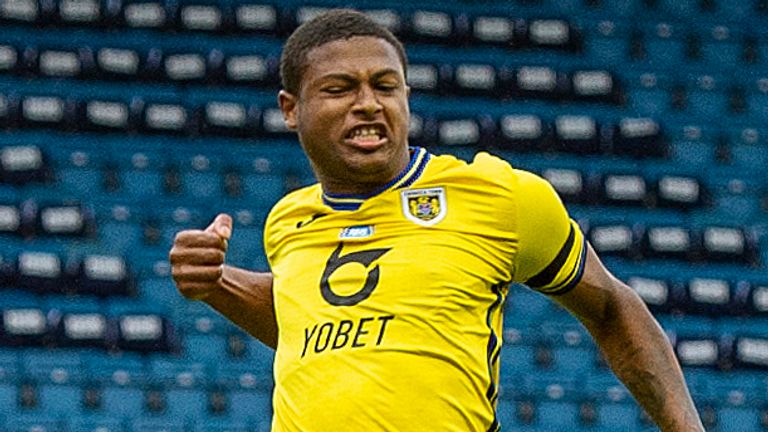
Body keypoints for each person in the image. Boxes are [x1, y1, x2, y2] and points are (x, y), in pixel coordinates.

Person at [169, 8, 704, 432]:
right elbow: (309, 320)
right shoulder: (289, 219)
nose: (368, 104)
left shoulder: (497, 196)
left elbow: (612, 307)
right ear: (291, 109)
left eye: (385, 86)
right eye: (339, 89)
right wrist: (217, 283)